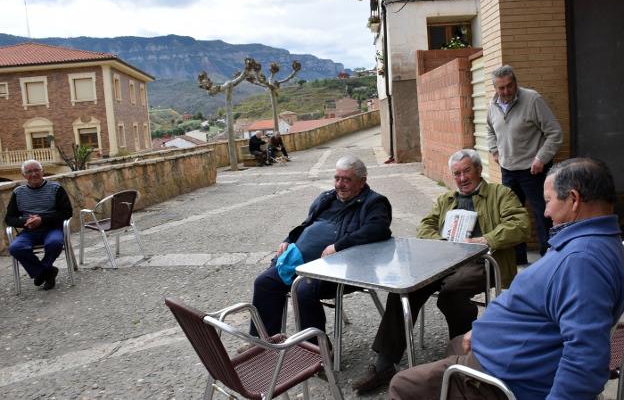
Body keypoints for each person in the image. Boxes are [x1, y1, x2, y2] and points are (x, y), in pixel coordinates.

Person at [389, 157, 624, 400]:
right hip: (508, 350)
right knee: (455, 342)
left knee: (402, 384)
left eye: (548, 201)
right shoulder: (598, 242)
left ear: (573, 200)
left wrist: (482, 241)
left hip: (503, 376)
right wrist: (482, 331)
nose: (545, 212)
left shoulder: (581, 262)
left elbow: (585, 360)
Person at [353, 149, 530, 394]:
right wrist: (441, 241)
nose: (462, 178)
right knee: (405, 288)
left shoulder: (501, 193)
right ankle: (385, 363)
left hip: (485, 261)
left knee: (451, 293)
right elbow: (425, 225)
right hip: (445, 261)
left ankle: (463, 358)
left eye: (467, 171)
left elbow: (521, 225)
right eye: (456, 173)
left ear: (478, 170)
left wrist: (485, 239)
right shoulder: (447, 199)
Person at [250, 155, 392, 338]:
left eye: (346, 179)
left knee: (302, 290)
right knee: (264, 283)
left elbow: (378, 230)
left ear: (362, 181)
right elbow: (306, 224)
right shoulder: (327, 198)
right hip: (300, 262)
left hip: (340, 269)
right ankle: (264, 341)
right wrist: (288, 240)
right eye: (337, 178)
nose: (339, 184)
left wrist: (339, 246)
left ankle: (317, 351)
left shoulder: (374, 202)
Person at [487, 65, 563, 263]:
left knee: (543, 214)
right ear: (495, 88)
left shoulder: (532, 99)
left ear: (515, 83)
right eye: (501, 88)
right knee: (512, 216)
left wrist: (541, 159)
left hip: (534, 169)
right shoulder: (492, 104)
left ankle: (549, 258)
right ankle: (517, 258)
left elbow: (555, 132)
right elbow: (490, 130)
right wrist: (494, 150)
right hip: (508, 170)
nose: (506, 91)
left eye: (509, 86)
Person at [5, 160, 73, 290]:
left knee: (54, 243)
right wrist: (26, 222)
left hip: (52, 228)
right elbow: (9, 218)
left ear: (42, 172)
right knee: (15, 248)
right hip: (29, 231)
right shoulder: (18, 192)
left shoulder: (56, 189)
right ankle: (47, 272)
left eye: (36, 170)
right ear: (24, 175)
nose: (34, 174)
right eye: (29, 171)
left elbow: (66, 213)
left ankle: (42, 271)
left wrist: (42, 220)